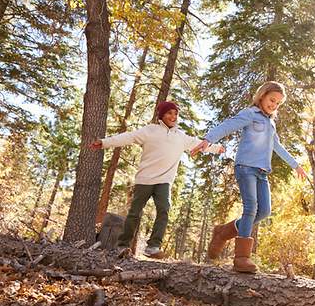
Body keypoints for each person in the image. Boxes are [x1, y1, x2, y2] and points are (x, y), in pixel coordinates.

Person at [191, 81, 307, 273]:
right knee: (251, 208)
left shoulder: (271, 123)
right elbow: (228, 126)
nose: (274, 105)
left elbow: (278, 147)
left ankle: (223, 232)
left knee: (264, 211)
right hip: (245, 167)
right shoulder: (250, 114)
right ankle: (242, 258)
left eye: (278, 103)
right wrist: (208, 140)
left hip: (262, 172)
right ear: (262, 96)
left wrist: (296, 165)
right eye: (272, 100)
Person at [90, 101, 223, 258]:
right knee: (134, 213)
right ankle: (122, 245)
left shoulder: (181, 137)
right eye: (169, 113)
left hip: (164, 181)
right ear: (162, 115)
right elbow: (128, 137)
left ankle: (153, 246)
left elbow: (199, 144)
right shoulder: (150, 131)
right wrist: (105, 142)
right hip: (145, 179)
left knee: (164, 209)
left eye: (175, 113)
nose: (173, 116)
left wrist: (216, 148)